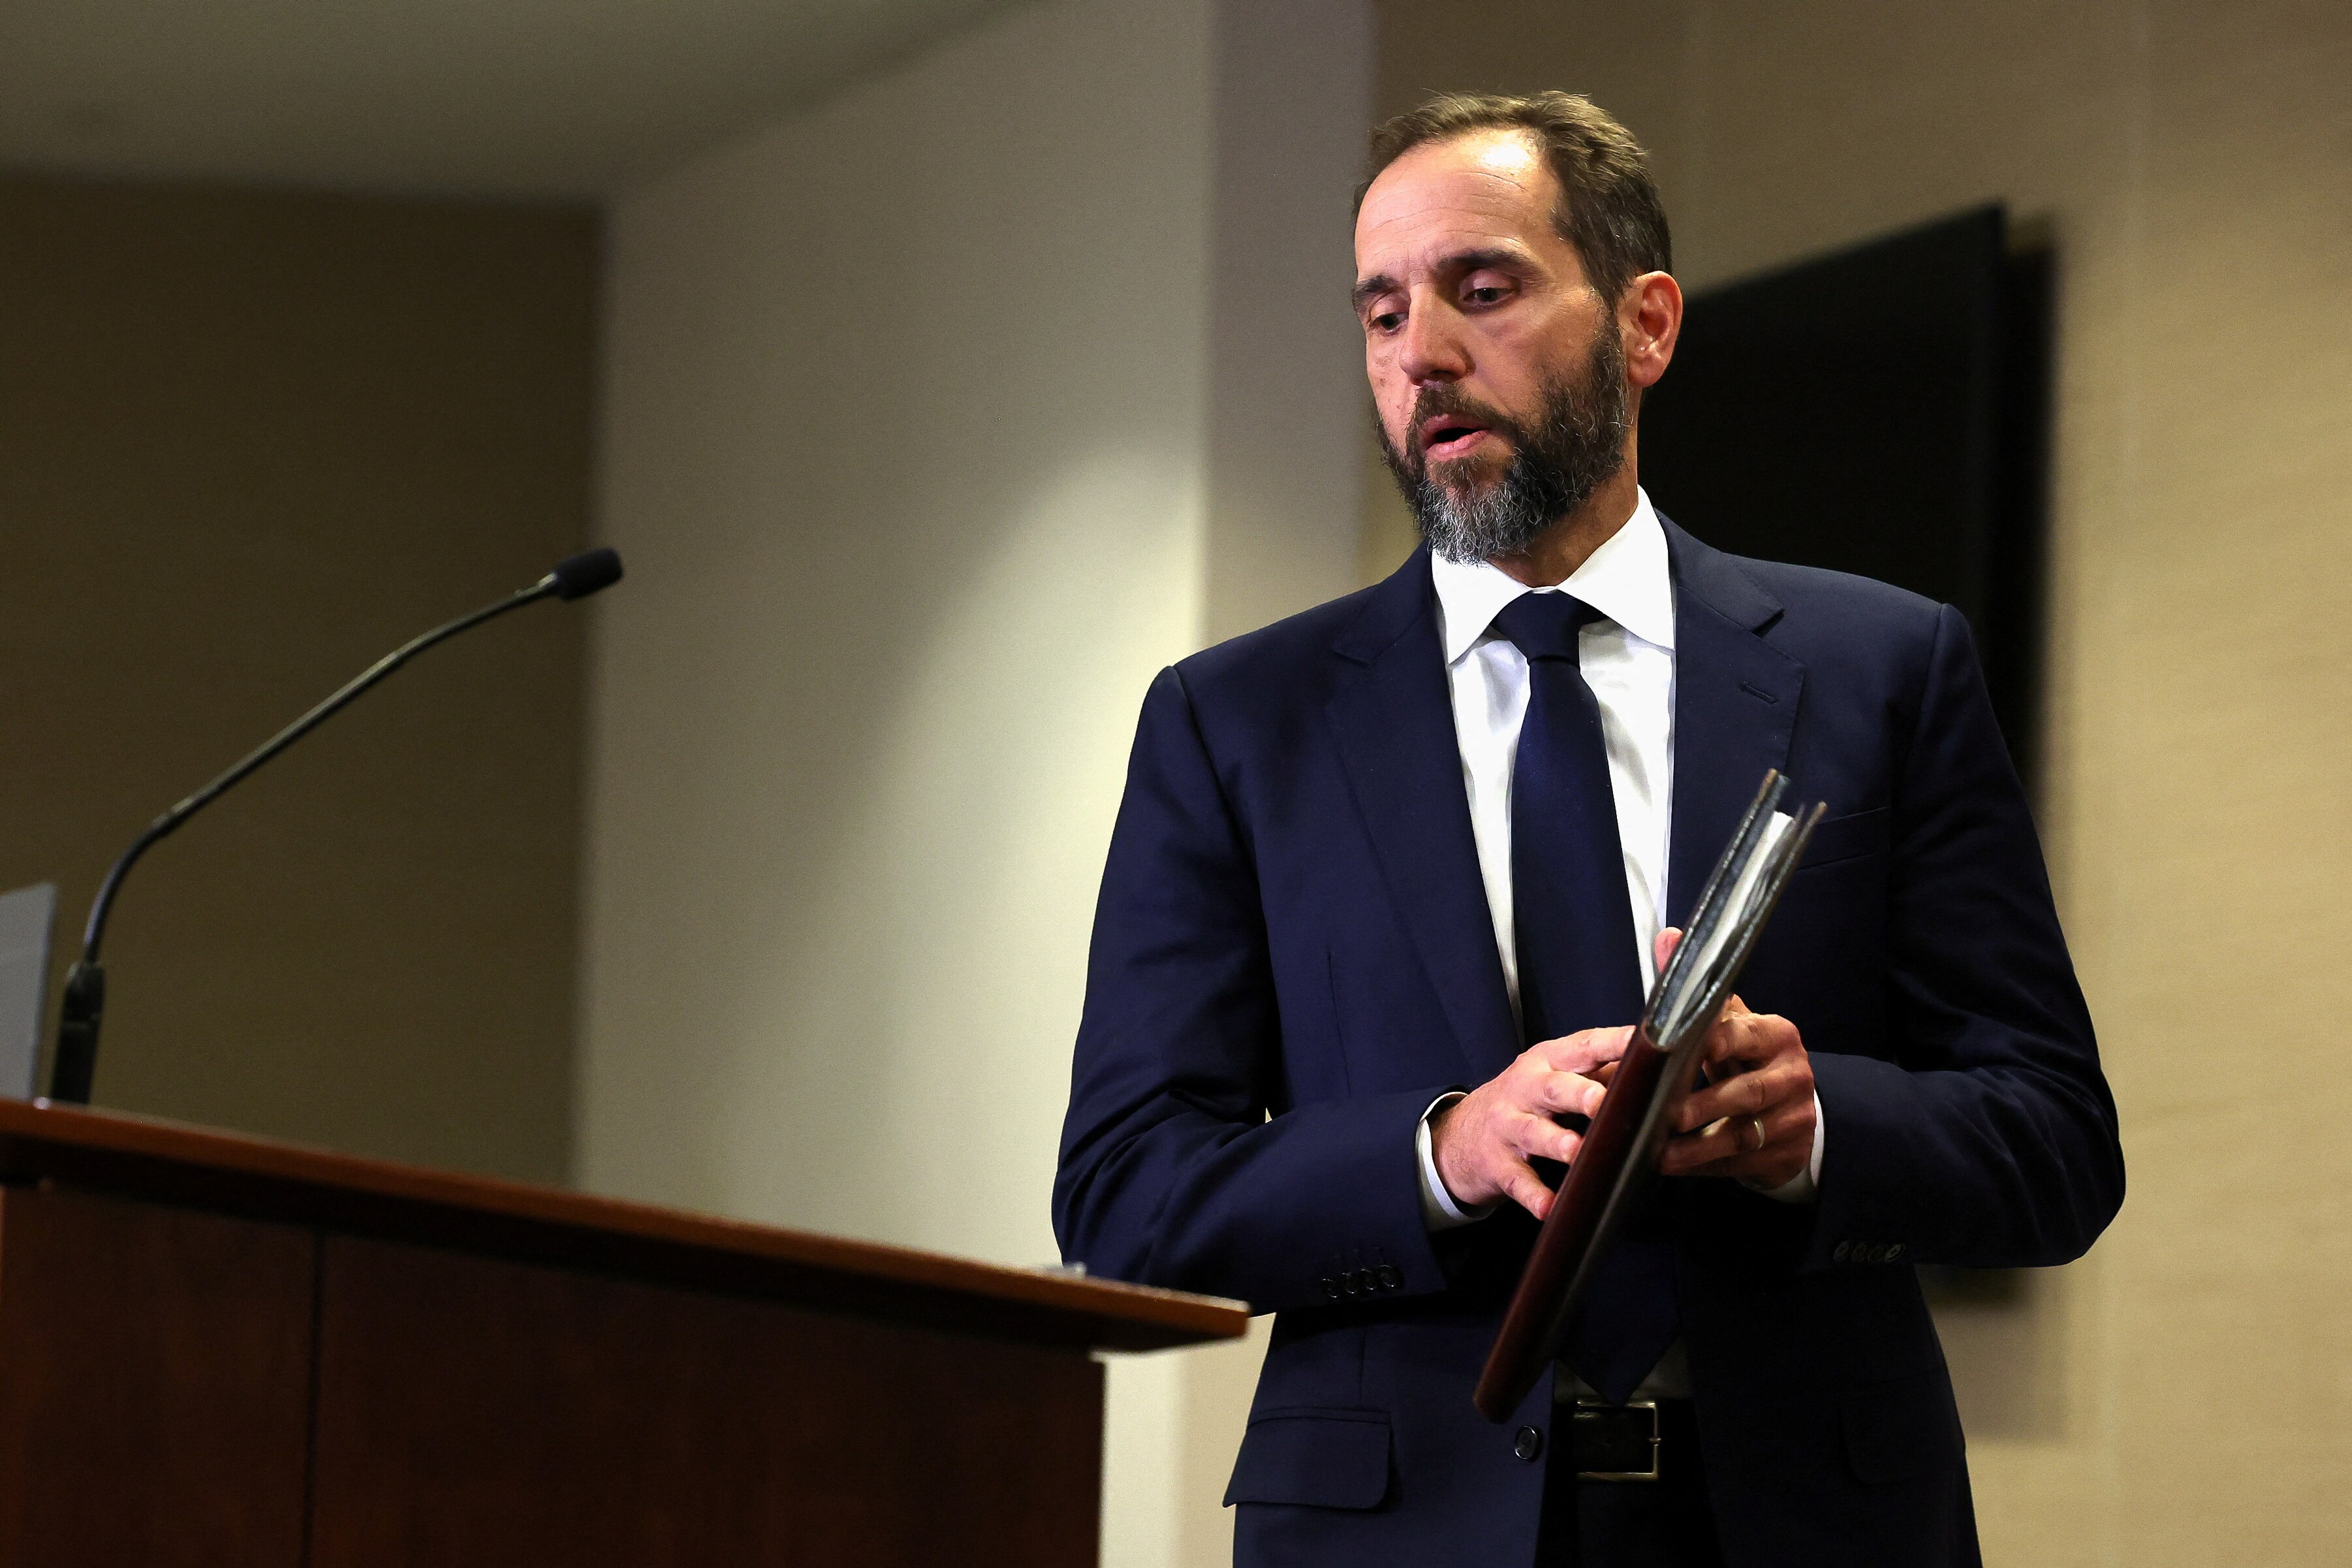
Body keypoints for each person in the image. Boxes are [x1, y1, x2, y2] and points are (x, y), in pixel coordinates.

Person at [1052, 91, 2122, 1568]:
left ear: (1645, 326)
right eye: (1379, 313)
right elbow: (1123, 1188)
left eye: (1478, 290)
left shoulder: (1882, 666)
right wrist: (1440, 1150)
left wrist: (1819, 1124)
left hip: (1807, 1522)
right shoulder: (1237, 720)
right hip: (1397, 1530)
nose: (1419, 353)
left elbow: (2055, 1143)